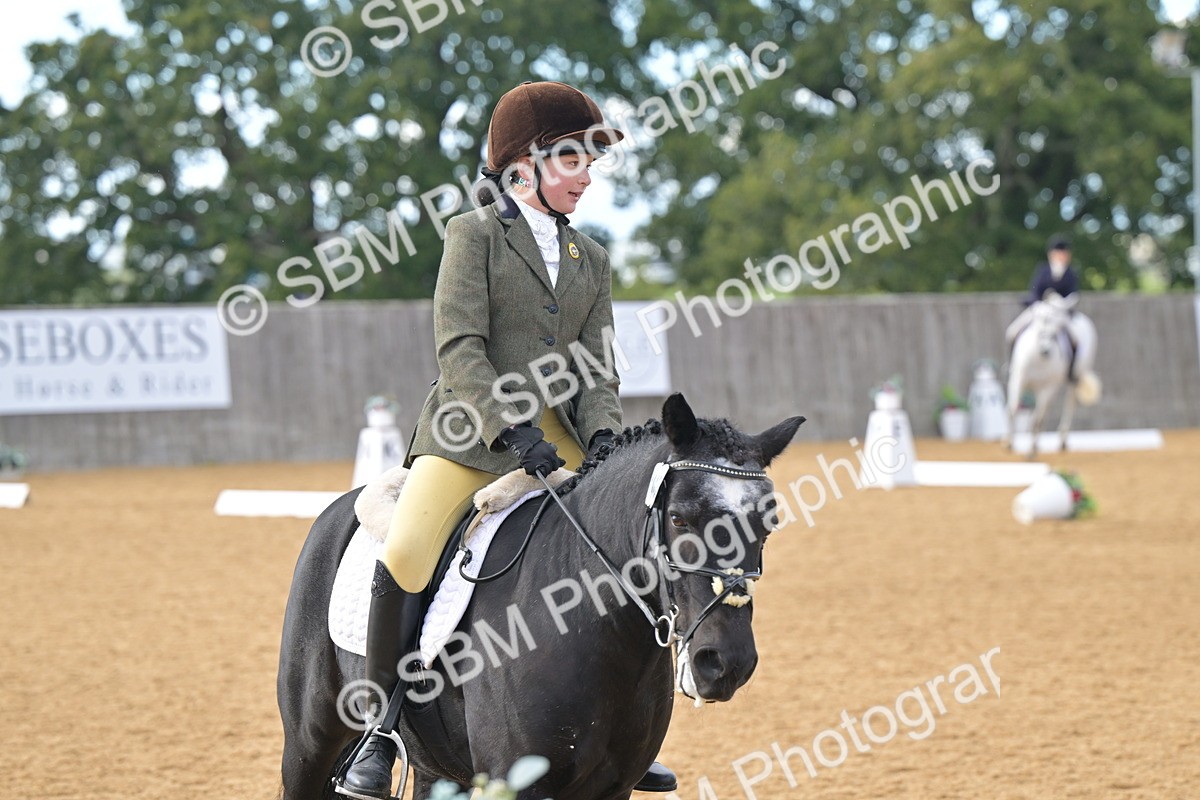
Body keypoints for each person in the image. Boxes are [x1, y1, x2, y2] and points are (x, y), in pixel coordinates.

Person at [336, 81, 677, 798]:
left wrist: (608, 447)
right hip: (470, 433)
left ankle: (624, 730)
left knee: (630, 538)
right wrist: (510, 428)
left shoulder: (593, 259)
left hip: (565, 437)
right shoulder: (475, 236)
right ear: (524, 163)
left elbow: (597, 371)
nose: (588, 174)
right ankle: (383, 727)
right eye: (574, 158)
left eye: (591, 160)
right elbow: (459, 348)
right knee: (404, 550)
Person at [1005, 234, 1083, 381]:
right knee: (1011, 332)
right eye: (1059, 253)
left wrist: (1064, 304)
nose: (1062, 256)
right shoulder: (1043, 270)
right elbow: (1034, 291)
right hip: (1040, 310)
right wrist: (1038, 304)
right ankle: (1012, 366)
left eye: (1064, 253)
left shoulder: (1071, 273)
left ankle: (1071, 371)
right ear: (1052, 254)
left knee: (1076, 339)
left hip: (1061, 314)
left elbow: (1073, 294)